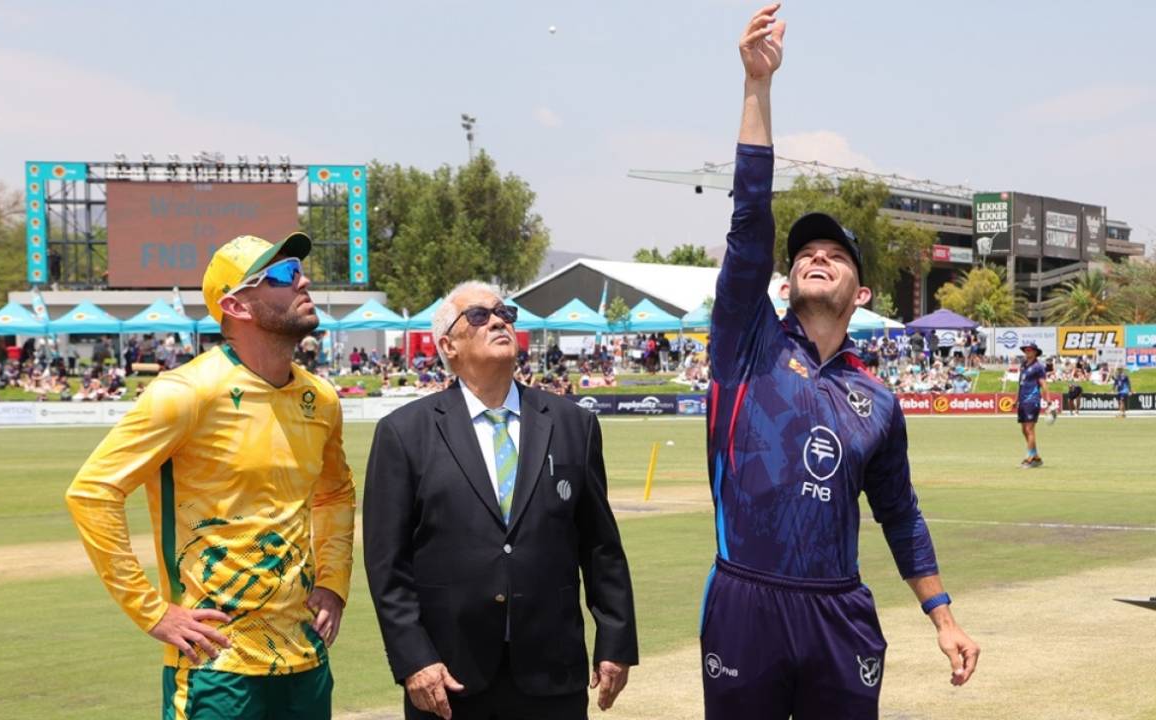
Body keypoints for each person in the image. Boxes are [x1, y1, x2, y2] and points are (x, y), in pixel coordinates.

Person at [700, 7, 979, 717]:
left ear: (864, 292)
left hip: (839, 611)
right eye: (804, 255)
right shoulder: (746, 341)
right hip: (745, 601)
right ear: (784, 281)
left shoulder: (877, 399)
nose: (816, 256)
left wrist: (942, 614)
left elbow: (899, 513)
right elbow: (749, 216)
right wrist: (756, 88)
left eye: (835, 255)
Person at [66, 232, 356, 719]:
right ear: (236, 307)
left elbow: (335, 493)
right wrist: (153, 611)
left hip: (305, 655)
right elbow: (92, 493)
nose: (303, 280)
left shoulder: (320, 398)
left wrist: (333, 581)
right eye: (283, 275)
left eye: (299, 270)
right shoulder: (185, 393)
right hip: (215, 664)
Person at [364, 281, 638, 720]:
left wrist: (616, 639)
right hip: (448, 679)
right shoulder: (404, 433)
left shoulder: (574, 424)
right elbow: (387, 564)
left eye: (504, 313)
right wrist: (413, 658)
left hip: (552, 675)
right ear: (448, 346)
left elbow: (601, 546)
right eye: (478, 315)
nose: (497, 321)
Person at [1017, 341, 1049, 466]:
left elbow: (1044, 384)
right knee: (1024, 430)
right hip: (1022, 401)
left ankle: (1029, 458)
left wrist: (1048, 399)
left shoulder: (1038, 367)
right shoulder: (1023, 365)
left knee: (1030, 429)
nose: (1027, 351)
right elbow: (1020, 384)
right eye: (1026, 349)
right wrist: (1016, 399)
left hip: (1033, 400)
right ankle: (1036, 456)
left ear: (1035, 352)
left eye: (1030, 349)